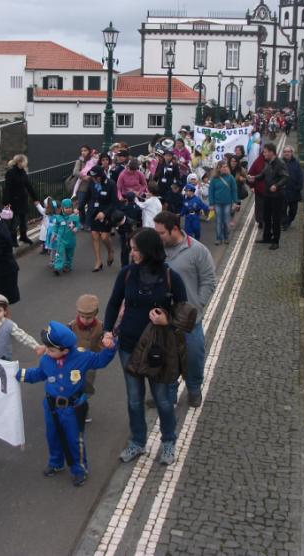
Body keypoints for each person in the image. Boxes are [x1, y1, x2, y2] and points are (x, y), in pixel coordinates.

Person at [102, 228, 188, 466]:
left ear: (149, 251)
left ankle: (168, 442)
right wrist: (108, 330)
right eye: (131, 248)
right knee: (133, 398)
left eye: (136, 249)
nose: (132, 252)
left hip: (157, 349)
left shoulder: (171, 277)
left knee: (162, 399)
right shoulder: (127, 274)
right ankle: (138, 442)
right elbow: (113, 303)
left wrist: (167, 320)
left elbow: (184, 313)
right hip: (128, 345)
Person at [17, 320, 118, 487]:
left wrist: (110, 347)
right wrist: (18, 374)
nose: (46, 352)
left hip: (72, 409)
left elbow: (101, 361)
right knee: (52, 436)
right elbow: (38, 374)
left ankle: (79, 470)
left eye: (51, 349)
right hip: (51, 406)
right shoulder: (46, 360)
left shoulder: (82, 356)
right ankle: (56, 463)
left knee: (74, 440)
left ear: (65, 350)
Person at [153, 211, 216, 409]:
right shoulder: (156, 251)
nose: (158, 237)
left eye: (161, 233)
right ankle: (169, 394)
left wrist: (197, 305)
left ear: (175, 230)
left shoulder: (198, 250)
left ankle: (194, 389)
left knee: (194, 355)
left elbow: (208, 281)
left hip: (189, 318)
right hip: (162, 317)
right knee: (165, 357)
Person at [251, 142, 289, 250]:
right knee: (266, 217)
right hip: (267, 194)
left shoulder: (280, 163)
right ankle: (267, 237)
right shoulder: (268, 162)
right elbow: (263, 174)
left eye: (265, 152)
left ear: (272, 152)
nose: (264, 153)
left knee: (276, 218)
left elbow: (285, 177)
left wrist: (276, 185)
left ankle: (275, 241)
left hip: (277, 196)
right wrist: (254, 178)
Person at [68, 294, 104, 404]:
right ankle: (74, 405)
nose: (85, 320)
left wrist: (101, 350)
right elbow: (63, 341)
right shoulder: (71, 326)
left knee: (87, 386)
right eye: (82, 317)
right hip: (74, 362)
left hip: (90, 363)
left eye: (89, 317)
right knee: (74, 385)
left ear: (95, 314)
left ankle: (83, 406)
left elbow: (103, 343)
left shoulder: (101, 326)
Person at [80, 166, 116, 273]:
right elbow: (87, 196)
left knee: (104, 237)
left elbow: (114, 203)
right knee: (94, 235)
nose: (93, 179)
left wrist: (104, 213)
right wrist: (79, 208)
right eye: (92, 177)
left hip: (106, 213)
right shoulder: (92, 183)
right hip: (94, 212)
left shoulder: (111, 184)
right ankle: (98, 261)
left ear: (101, 176)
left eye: (95, 177)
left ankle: (110, 251)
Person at [3, 154, 40, 245]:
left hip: (23, 200)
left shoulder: (23, 172)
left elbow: (28, 186)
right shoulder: (10, 173)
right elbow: (7, 188)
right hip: (13, 201)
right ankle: (13, 240)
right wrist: (6, 202)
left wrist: (35, 199)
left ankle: (23, 237)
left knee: (23, 220)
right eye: (24, 162)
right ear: (19, 162)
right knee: (14, 222)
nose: (25, 164)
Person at [208, 163, 238, 245]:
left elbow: (234, 190)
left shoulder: (230, 178)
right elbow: (211, 192)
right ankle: (218, 238)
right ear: (218, 169)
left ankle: (226, 237)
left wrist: (235, 202)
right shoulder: (214, 179)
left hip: (227, 203)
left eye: (226, 167)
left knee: (226, 221)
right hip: (217, 203)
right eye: (223, 167)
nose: (225, 168)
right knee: (218, 221)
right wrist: (211, 203)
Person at [52, 198, 81, 276]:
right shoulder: (58, 217)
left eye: (69, 208)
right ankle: (57, 267)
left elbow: (78, 225)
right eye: (66, 208)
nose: (68, 209)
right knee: (59, 252)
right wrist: (54, 234)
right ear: (62, 208)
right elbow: (55, 226)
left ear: (72, 207)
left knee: (69, 254)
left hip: (71, 239)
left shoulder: (74, 217)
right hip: (61, 239)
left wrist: (76, 228)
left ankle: (68, 266)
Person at [112, 192, 142, 267]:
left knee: (124, 251)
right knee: (134, 248)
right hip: (134, 231)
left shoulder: (123, 208)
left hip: (124, 231)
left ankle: (124, 266)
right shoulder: (138, 208)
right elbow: (139, 219)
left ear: (127, 200)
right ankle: (133, 264)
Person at [280, 145, 304, 231]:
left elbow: (300, 176)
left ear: (291, 153)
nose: (286, 153)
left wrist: (299, 186)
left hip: (294, 191)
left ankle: (289, 220)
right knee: (282, 209)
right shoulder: (280, 163)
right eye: (285, 152)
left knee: (293, 210)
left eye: (288, 152)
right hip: (283, 191)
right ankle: (284, 223)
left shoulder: (296, 163)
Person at [247, 148, 268, 229]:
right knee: (259, 206)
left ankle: (267, 220)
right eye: (264, 152)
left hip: (270, 190)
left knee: (268, 206)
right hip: (259, 189)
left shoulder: (273, 162)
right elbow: (250, 174)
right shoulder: (258, 162)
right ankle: (260, 221)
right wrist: (251, 186)